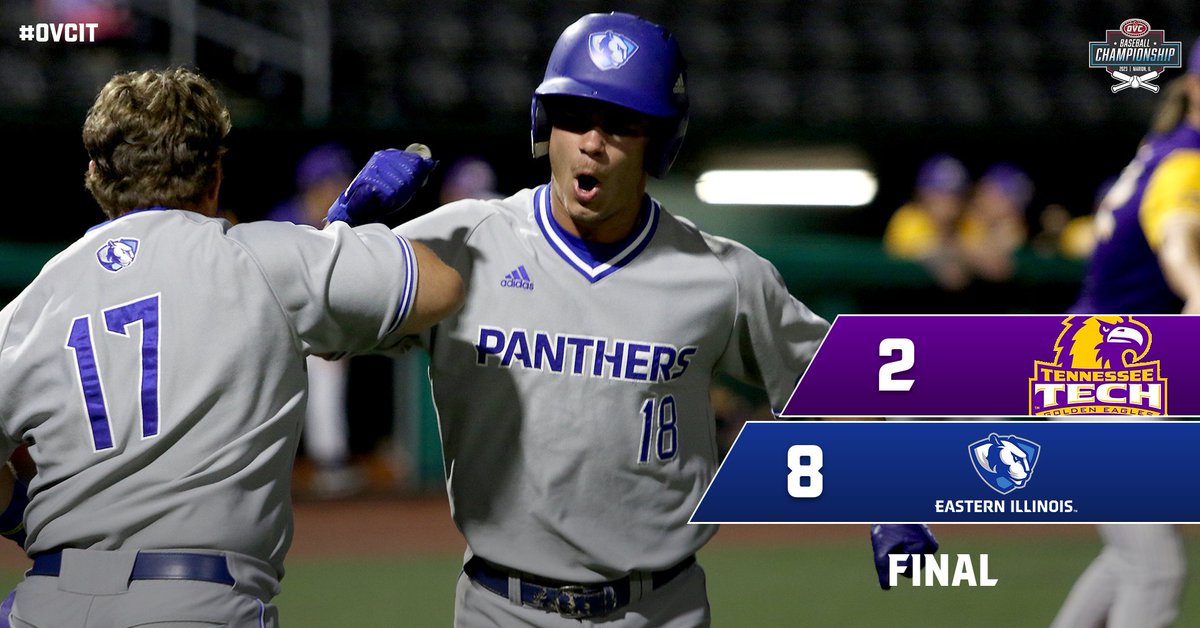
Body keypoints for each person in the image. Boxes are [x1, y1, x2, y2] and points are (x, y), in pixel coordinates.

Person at [340, 13, 936, 625]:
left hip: (661, 610)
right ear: (546, 126)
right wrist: (341, 233)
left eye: (621, 124)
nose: (592, 142)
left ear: (659, 141)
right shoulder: (465, 241)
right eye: (574, 118)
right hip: (501, 609)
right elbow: (310, 324)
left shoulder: (720, 276)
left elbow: (835, 377)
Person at [0, 68, 462, 626]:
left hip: (46, 600)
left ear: (94, 175)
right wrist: (340, 236)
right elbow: (441, 289)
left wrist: (19, 515)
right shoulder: (264, 258)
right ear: (215, 174)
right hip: (196, 602)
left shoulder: (32, 303)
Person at [1049, 38, 1200, 628]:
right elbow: (1177, 239)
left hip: (1094, 371)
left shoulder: (1165, 148)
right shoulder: (1185, 161)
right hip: (1100, 380)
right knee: (1156, 569)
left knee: (1131, 557)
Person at [268, 143, 365, 498]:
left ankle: (329, 464)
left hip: (313, 328)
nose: (339, 187)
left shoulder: (339, 223)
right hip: (273, 326)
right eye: (334, 181)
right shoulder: (283, 220)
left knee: (328, 372)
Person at [882, 153, 973, 290]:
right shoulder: (908, 217)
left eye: (954, 194)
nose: (947, 201)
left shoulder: (966, 222)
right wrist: (942, 259)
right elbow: (920, 247)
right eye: (938, 192)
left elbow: (990, 257)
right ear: (922, 193)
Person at [958, 161, 1034, 282]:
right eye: (1003, 197)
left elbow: (1000, 266)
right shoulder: (958, 218)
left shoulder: (1012, 229)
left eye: (1015, 203)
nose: (1010, 209)